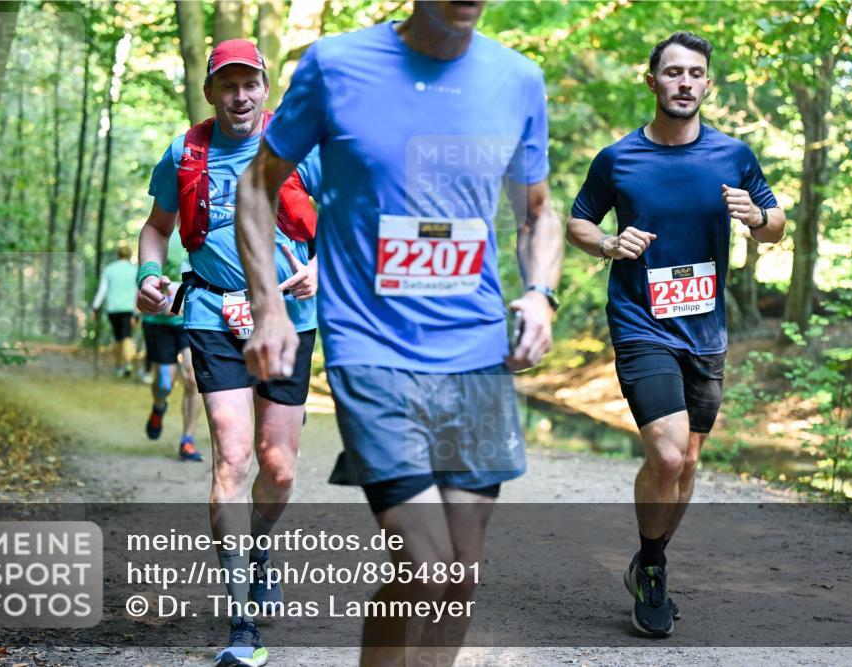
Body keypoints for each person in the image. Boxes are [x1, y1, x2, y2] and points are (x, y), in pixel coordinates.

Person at [235, 2, 563, 664]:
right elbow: (257, 185)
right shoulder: (335, 66)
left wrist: (540, 294)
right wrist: (268, 304)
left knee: (460, 571)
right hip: (370, 347)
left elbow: (538, 212)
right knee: (426, 557)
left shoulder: (518, 79)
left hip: (474, 352)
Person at [566, 32, 786, 638]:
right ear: (653, 81)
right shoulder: (619, 159)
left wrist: (758, 218)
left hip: (706, 331)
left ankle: (651, 560)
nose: (684, 82)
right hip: (642, 322)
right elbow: (579, 222)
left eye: (695, 73)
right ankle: (654, 563)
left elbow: (775, 224)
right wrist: (611, 243)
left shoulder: (734, 155)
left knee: (687, 461)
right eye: (673, 72)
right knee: (666, 451)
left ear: (707, 85)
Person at [135, 39, 320, 667]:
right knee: (232, 458)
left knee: (280, 469)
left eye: (250, 84)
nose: (240, 96)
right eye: (228, 85)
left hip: (291, 319)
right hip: (213, 314)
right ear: (211, 91)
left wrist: (323, 267)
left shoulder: (302, 146)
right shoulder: (184, 154)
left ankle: (257, 546)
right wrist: (147, 275)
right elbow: (157, 228)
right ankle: (243, 620)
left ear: (265, 88)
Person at [142, 276, 203, 462]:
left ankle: (187, 440)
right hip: (159, 323)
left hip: (191, 320)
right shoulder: (157, 247)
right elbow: (143, 280)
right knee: (164, 385)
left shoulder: (201, 247)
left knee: (193, 378)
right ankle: (159, 406)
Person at [92, 244, 138, 377]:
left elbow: (102, 290)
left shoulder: (109, 270)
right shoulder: (134, 270)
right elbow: (137, 291)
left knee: (118, 337)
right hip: (129, 309)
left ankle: (118, 365)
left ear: (118, 255)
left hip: (113, 309)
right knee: (127, 336)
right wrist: (137, 311)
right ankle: (128, 364)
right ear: (129, 255)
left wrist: (95, 307)